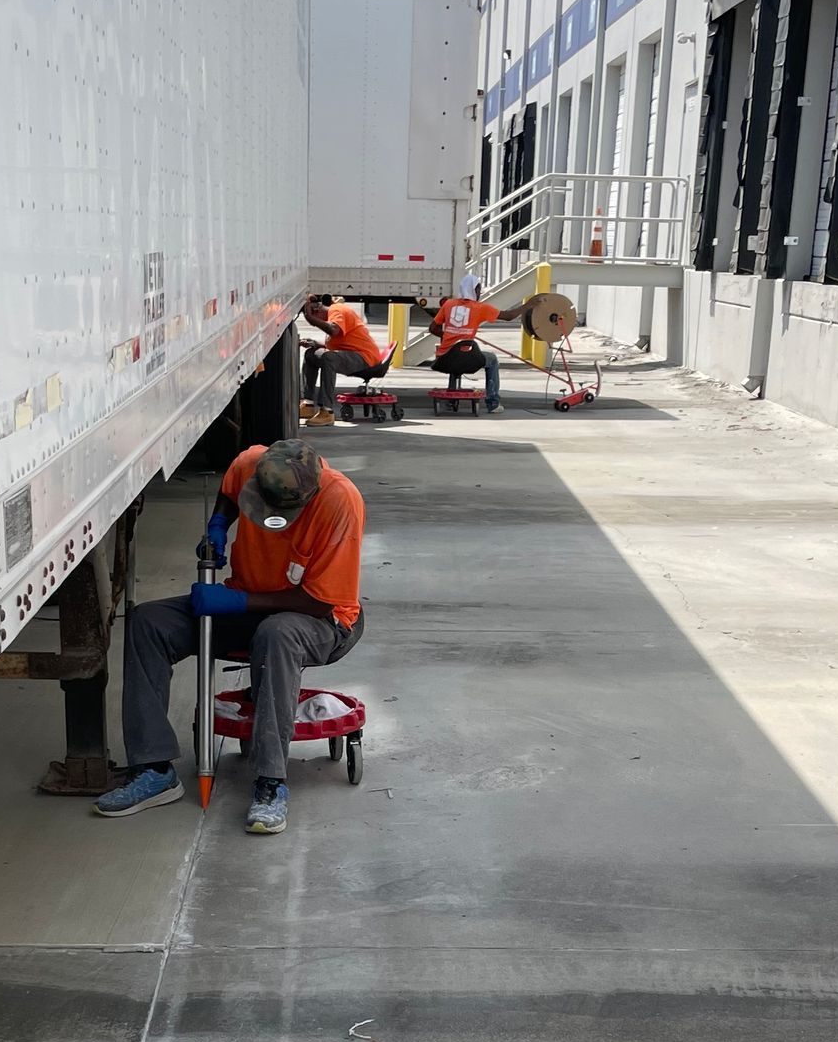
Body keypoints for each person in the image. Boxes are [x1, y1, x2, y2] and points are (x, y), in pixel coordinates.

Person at [95, 439, 364, 836]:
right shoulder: (252, 464)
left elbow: (320, 602)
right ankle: (153, 768)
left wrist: (235, 601)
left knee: (277, 633)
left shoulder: (340, 502)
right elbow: (228, 491)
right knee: (148, 622)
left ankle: (271, 782)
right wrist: (218, 526)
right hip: (250, 605)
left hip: (321, 620)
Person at [425, 286, 537, 413]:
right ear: (473, 291)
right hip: (468, 359)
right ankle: (493, 402)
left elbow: (433, 328)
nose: (480, 294)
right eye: (478, 290)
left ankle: (451, 401)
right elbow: (509, 316)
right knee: (492, 359)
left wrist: (448, 337)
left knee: (453, 352)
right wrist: (528, 305)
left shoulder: (448, 305)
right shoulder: (480, 308)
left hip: (443, 360)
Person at [298, 294, 388, 423]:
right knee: (311, 354)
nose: (316, 324)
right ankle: (308, 404)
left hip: (365, 357)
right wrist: (316, 344)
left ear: (316, 310)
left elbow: (333, 330)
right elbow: (343, 343)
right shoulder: (334, 314)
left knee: (328, 358)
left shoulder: (337, 309)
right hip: (353, 355)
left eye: (315, 318)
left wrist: (311, 318)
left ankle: (327, 411)